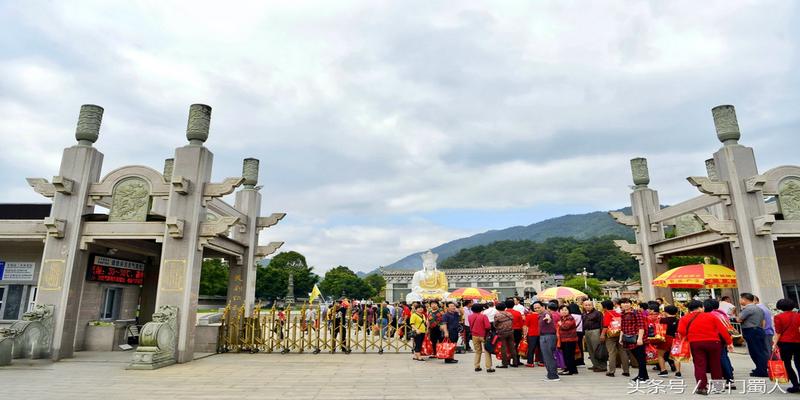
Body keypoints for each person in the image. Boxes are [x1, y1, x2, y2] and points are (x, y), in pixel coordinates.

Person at [678, 299, 733, 395]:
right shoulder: (711, 316)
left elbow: (681, 331)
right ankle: (718, 387)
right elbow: (722, 330)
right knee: (715, 364)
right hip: (714, 343)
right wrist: (729, 343)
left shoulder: (684, 318)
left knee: (699, 365)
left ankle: (702, 387)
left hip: (696, 343)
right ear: (700, 307)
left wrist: (689, 337)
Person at [738, 293, 769, 377]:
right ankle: (760, 368)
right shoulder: (758, 308)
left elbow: (739, 319)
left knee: (756, 351)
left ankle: (762, 371)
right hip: (758, 330)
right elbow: (763, 322)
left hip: (752, 331)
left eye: (741, 299)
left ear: (745, 299)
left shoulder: (748, 309)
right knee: (759, 351)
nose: (740, 300)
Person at [773, 298, 800, 393]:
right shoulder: (798, 316)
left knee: (787, 364)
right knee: (799, 363)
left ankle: (795, 385)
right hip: (798, 342)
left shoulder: (778, 317)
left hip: (785, 343)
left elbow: (778, 332)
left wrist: (774, 344)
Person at [619, 298, 648, 382]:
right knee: (638, 358)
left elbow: (641, 326)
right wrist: (621, 338)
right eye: (623, 303)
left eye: (627, 303)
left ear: (631, 304)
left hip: (636, 338)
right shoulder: (623, 314)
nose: (625, 304)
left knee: (640, 358)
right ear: (620, 305)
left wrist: (640, 339)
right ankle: (644, 376)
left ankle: (641, 376)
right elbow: (622, 327)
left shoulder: (636, 313)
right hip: (628, 338)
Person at [708, 299, 735, 387]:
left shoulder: (712, 315)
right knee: (724, 356)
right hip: (724, 337)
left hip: (717, 337)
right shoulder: (722, 313)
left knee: (721, 357)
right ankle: (729, 375)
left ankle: (728, 378)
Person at [600, 299, 629, 377]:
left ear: (605, 307)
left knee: (611, 352)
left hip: (611, 335)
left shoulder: (607, 314)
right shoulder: (617, 312)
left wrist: (602, 334)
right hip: (620, 334)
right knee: (623, 352)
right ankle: (626, 371)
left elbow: (605, 326)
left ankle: (611, 371)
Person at [467, 303, 494, 373]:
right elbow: (488, 326)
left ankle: (477, 366)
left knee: (477, 351)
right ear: (481, 309)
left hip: (474, 335)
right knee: (487, 351)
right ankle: (488, 367)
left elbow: (470, 326)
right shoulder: (483, 316)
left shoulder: (469, 316)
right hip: (483, 336)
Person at [657, 305, 681, 378]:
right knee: (676, 356)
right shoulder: (678, 320)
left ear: (665, 312)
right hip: (676, 339)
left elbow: (660, 330)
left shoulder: (662, 320)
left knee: (661, 355)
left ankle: (663, 371)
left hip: (665, 339)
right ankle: (678, 372)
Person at [539, 301, 561, 381]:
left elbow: (548, 317)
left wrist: (548, 319)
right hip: (553, 335)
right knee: (549, 356)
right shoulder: (558, 314)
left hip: (548, 336)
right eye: (535, 308)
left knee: (548, 356)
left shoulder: (547, 313)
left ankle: (553, 375)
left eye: (538, 307)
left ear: (545, 307)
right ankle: (551, 374)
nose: (537, 309)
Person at [494, 303, 519, 368]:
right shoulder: (509, 314)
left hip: (502, 333)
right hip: (510, 332)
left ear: (496, 308)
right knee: (512, 347)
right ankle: (515, 362)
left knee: (503, 348)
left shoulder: (497, 315)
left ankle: (504, 363)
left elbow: (495, 324)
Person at [582, 299, 605, 372]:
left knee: (597, 349)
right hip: (587, 332)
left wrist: (602, 334)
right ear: (583, 306)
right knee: (590, 349)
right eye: (586, 305)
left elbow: (602, 324)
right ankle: (595, 364)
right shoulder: (584, 313)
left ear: (592, 305)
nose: (588, 306)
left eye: (589, 305)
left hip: (595, 331)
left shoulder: (598, 313)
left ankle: (602, 366)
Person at [558, 305, 579, 375]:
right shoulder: (562, 318)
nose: (564, 311)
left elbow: (566, 327)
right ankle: (572, 369)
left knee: (568, 355)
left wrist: (560, 324)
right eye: (562, 310)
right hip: (564, 339)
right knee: (568, 355)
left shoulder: (570, 318)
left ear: (569, 311)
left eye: (566, 310)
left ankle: (570, 370)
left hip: (569, 339)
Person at [506, 299, 524, 366]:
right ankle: (516, 361)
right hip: (517, 331)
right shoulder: (517, 313)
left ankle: (507, 360)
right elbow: (521, 323)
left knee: (507, 345)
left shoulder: (503, 313)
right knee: (516, 346)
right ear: (513, 305)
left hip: (507, 331)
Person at [524, 302, 542, 367]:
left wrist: (525, 334)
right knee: (540, 348)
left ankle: (530, 362)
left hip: (532, 334)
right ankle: (541, 361)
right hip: (541, 334)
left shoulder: (529, 316)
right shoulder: (542, 315)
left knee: (531, 349)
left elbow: (526, 326)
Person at [568, 302, 585, 367]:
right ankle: (581, 361)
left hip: (572, 332)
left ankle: (575, 361)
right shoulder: (581, 315)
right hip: (580, 332)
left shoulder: (570, 316)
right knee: (580, 346)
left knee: (573, 347)